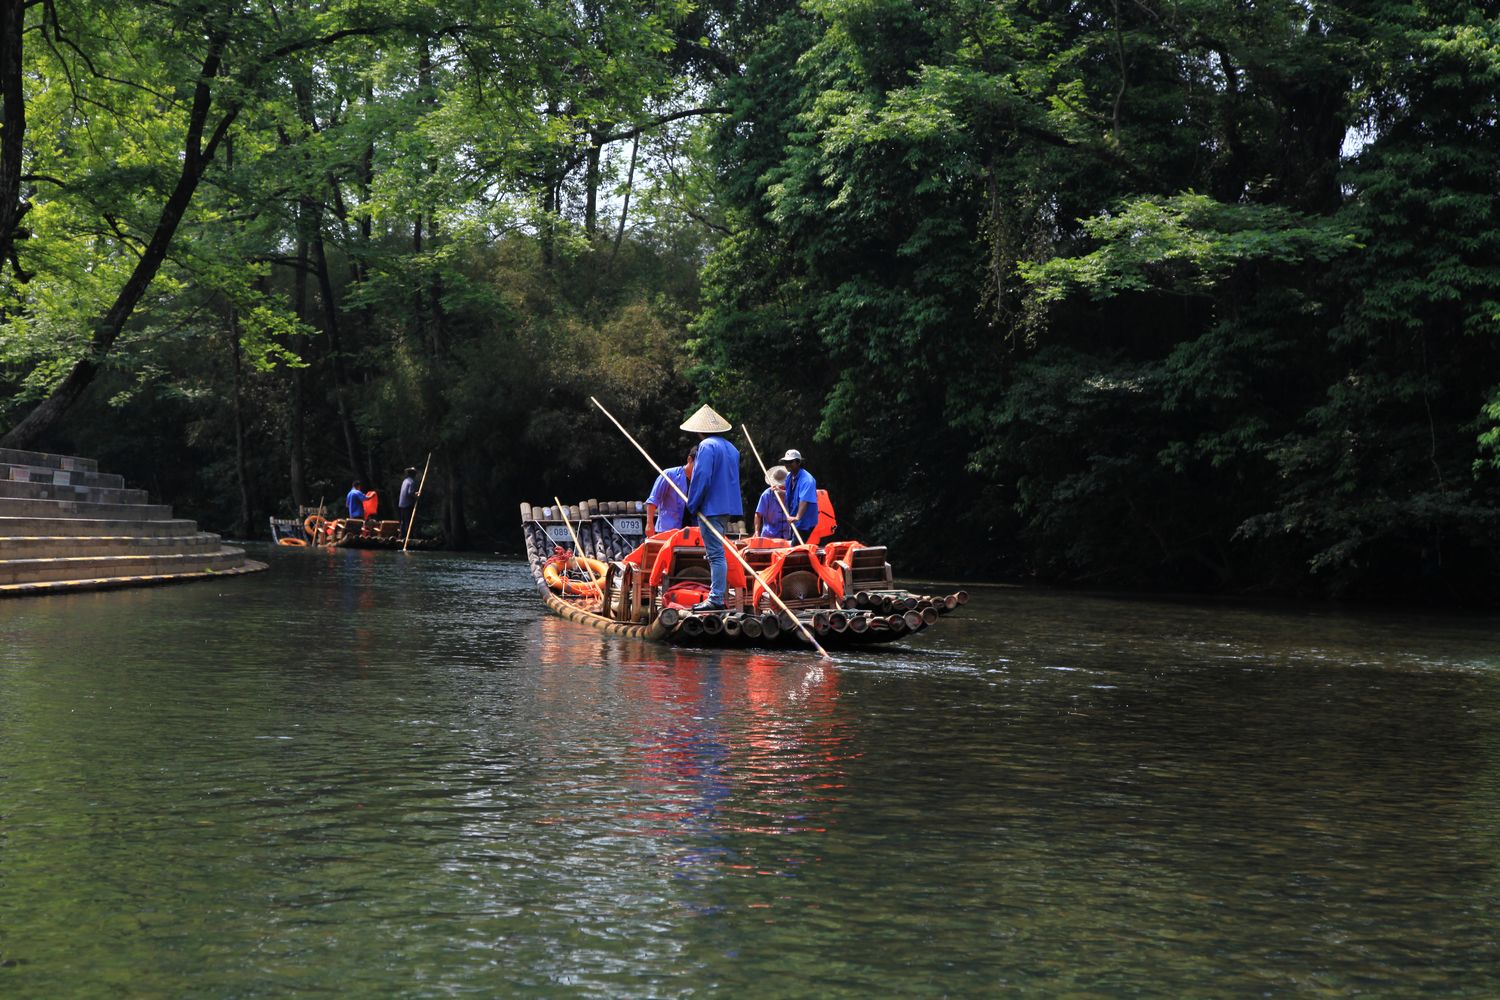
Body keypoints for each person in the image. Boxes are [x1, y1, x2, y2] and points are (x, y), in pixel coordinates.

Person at [681, 404, 741, 611]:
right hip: (726, 506)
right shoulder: (731, 448)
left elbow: (702, 477)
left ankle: (716, 598)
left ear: (700, 429)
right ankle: (717, 595)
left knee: (715, 554)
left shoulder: (707, 446)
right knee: (717, 552)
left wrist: (692, 503)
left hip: (712, 506)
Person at [644, 445, 697, 535]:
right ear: (689, 460)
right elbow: (653, 500)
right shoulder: (669, 475)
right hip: (668, 530)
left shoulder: (701, 482)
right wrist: (649, 523)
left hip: (691, 532)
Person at [780, 449, 819, 542]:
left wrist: (797, 517)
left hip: (805, 522)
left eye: (790, 461)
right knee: (796, 547)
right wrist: (781, 492)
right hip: (795, 520)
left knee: (795, 548)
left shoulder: (807, 480)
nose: (787, 464)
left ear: (798, 462)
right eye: (785, 462)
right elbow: (793, 495)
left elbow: (804, 501)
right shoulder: (789, 477)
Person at [754, 465, 792, 540]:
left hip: (787, 536)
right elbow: (758, 514)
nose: (781, 487)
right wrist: (756, 531)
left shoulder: (791, 493)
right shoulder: (767, 495)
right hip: (769, 536)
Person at [398, 466, 419, 536]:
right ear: (413, 474)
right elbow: (410, 492)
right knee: (408, 521)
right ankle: (408, 535)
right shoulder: (412, 482)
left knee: (403, 521)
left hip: (402, 504)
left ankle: (402, 534)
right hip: (407, 504)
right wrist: (416, 495)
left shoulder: (405, 481)